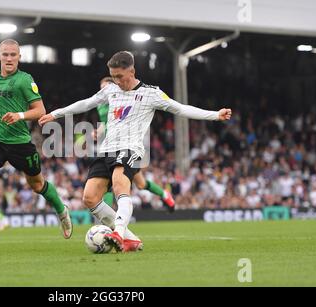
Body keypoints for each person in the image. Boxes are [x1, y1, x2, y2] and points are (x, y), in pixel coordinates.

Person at [39, 51, 231, 251]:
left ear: (132, 71)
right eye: (113, 76)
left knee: (120, 185)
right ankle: (130, 239)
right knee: (89, 197)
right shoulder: (110, 90)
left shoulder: (151, 93)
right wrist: (55, 114)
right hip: (107, 150)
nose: (117, 81)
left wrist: (215, 115)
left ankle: (118, 233)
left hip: (130, 148)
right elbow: (86, 103)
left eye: (120, 76)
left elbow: (180, 108)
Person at [0, 39, 72, 249]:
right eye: (5, 54)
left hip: (20, 144)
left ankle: (62, 211)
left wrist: (19, 115)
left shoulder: (25, 80)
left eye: (13, 55)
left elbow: (40, 110)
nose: (9, 58)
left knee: (37, 185)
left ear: (19, 57)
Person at [96, 77, 175, 211]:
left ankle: (107, 222)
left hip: (126, 146)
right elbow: (106, 123)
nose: (104, 89)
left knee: (111, 181)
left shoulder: (119, 99)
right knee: (141, 184)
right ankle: (164, 194)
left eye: (106, 86)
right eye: (101, 87)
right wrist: (98, 131)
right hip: (111, 146)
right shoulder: (100, 104)